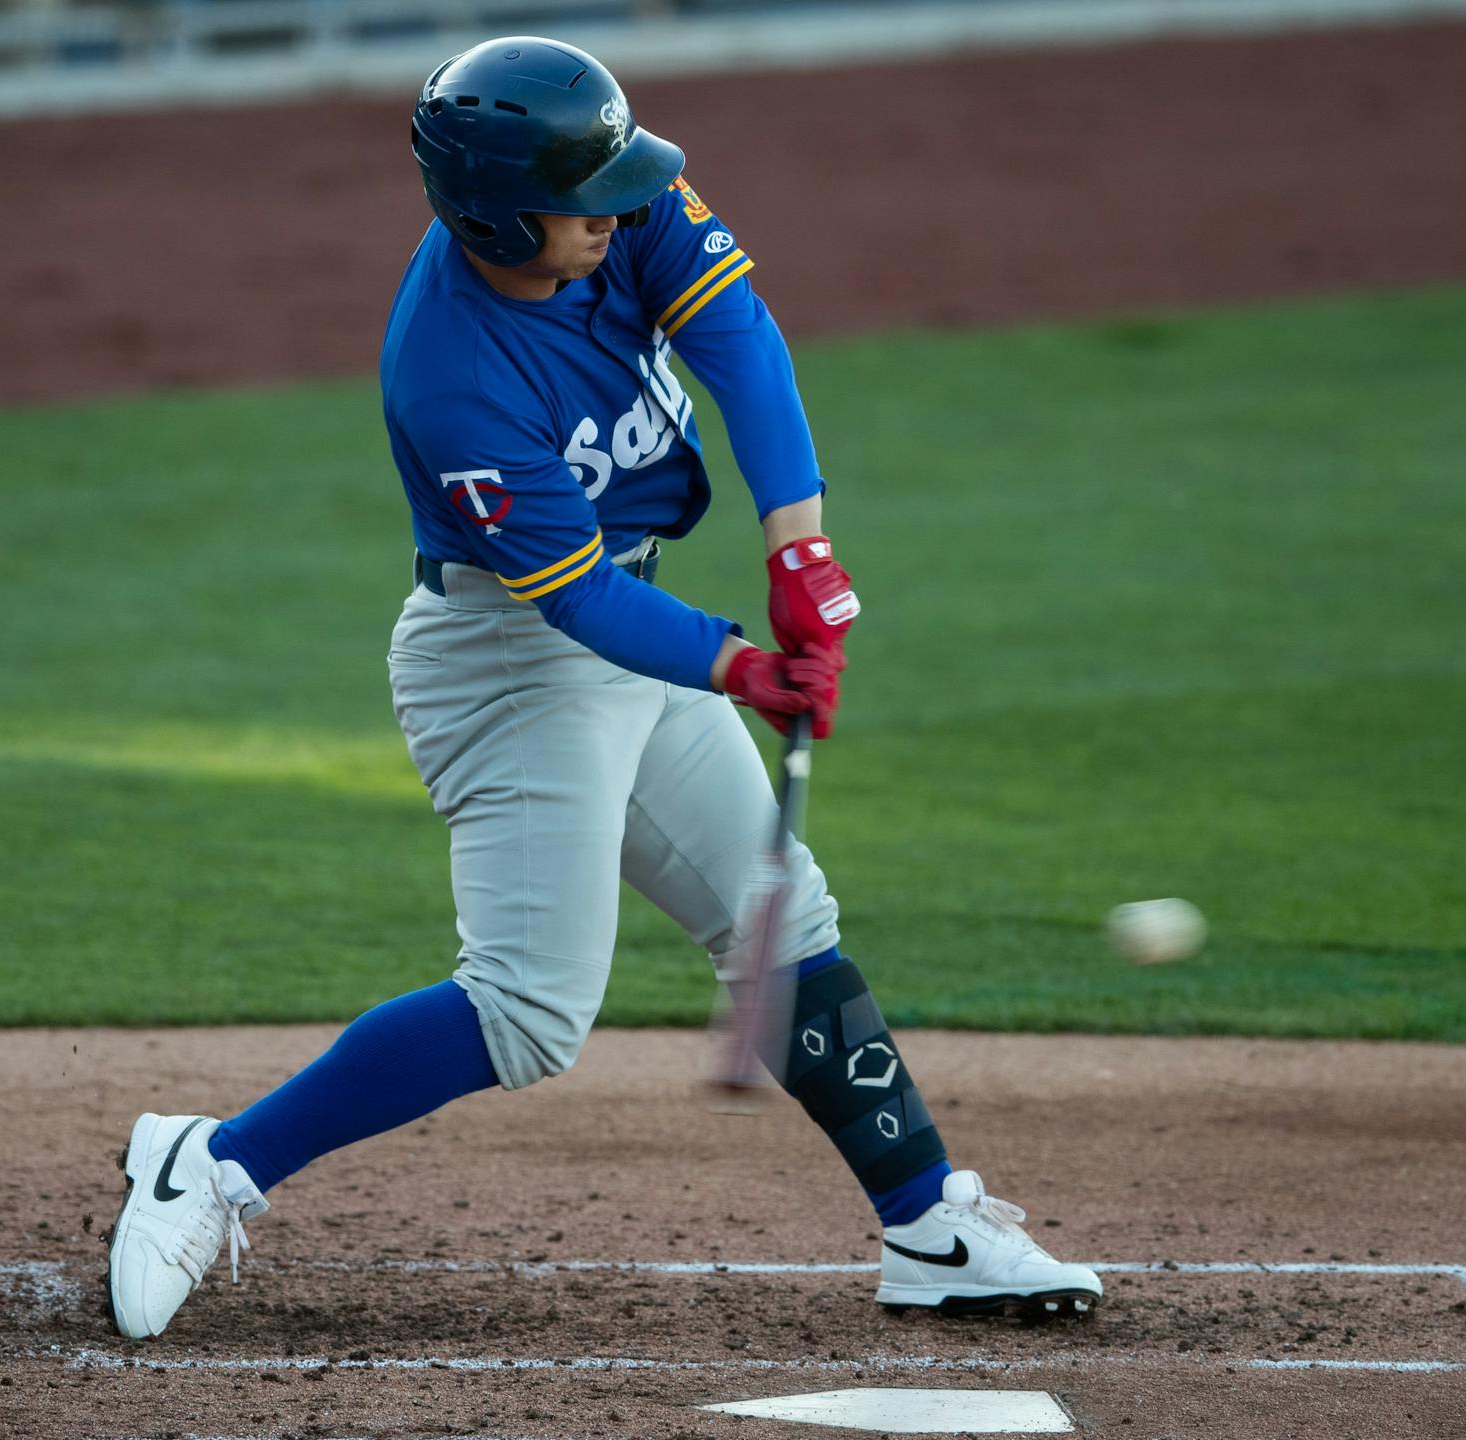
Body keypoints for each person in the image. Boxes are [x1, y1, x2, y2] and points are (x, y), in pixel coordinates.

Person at [104, 35, 1101, 1341]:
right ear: (504, 213)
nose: (622, 209)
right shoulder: (451, 371)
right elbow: (573, 599)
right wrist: (744, 665)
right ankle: (208, 1166)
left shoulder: (613, 200)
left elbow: (738, 334)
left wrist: (798, 544)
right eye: (590, 200)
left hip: (638, 622)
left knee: (781, 919)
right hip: (513, 662)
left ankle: (930, 1228)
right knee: (527, 1011)